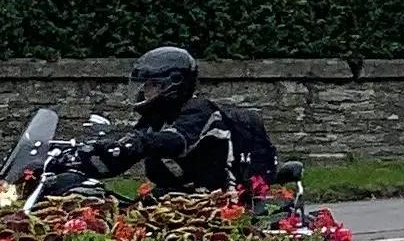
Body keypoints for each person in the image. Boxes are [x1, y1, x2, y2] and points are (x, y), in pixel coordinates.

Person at [94, 45, 285, 199]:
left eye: (152, 84)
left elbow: (177, 139)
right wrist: (94, 154)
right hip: (181, 197)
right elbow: (128, 152)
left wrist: (138, 143)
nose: (145, 91)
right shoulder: (156, 119)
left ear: (174, 84)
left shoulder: (201, 112)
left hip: (221, 200)